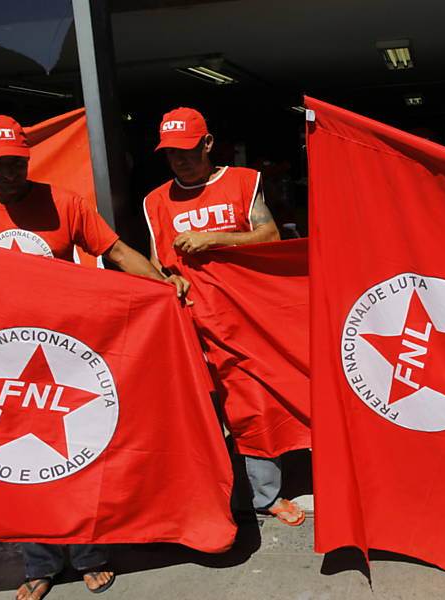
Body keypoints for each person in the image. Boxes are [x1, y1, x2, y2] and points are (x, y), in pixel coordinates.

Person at [0, 113, 191, 600]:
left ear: (28, 158)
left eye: (17, 164)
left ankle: (90, 554)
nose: (10, 175)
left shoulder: (63, 202)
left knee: (76, 455)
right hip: (0, 363)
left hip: (66, 354)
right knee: (23, 466)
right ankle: (39, 562)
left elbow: (115, 251)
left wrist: (162, 286)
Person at [142, 107, 305, 526]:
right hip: (190, 322)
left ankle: (264, 496)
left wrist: (214, 239)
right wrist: (167, 282)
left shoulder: (243, 181)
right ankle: (207, 495)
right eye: (171, 153)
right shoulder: (155, 200)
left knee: (254, 404)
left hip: (245, 317)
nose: (180, 160)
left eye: (188, 150)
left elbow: (268, 236)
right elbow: (154, 262)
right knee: (199, 413)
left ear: (208, 143)